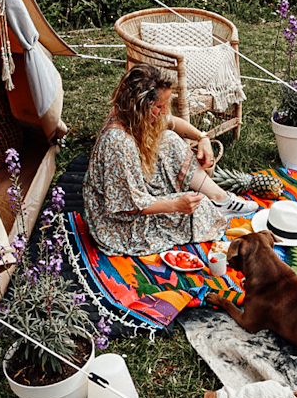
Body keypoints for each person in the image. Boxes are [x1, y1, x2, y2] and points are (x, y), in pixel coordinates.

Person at [83, 64, 259, 256]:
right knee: (200, 212)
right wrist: (176, 205)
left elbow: (171, 122)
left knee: (169, 139)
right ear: (140, 106)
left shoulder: (131, 115)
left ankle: (221, 199)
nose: (164, 110)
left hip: (132, 192)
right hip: (118, 223)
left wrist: (203, 137)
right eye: (159, 106)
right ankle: (213, 204)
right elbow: (130, 206)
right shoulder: (118, 143)